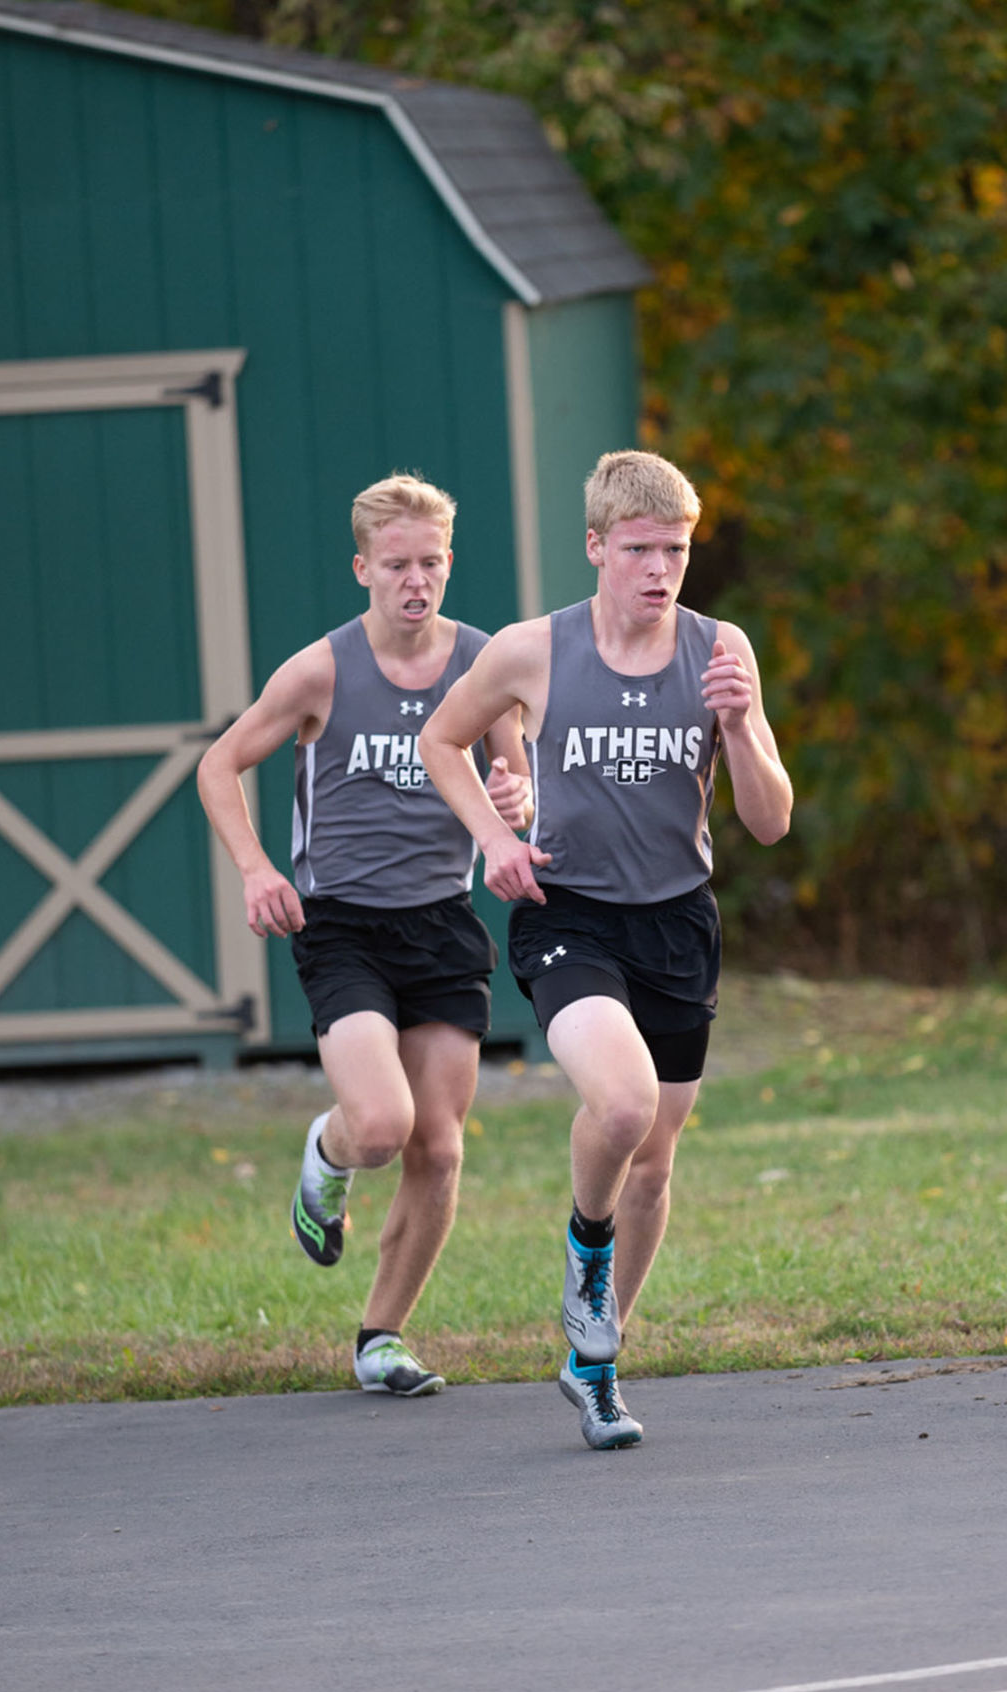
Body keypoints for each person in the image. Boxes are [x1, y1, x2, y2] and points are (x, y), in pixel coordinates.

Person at [419, 449, 792, 1447]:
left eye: (673, 548)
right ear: (595, 547)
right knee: (620, 1103)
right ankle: (586, 1258)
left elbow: (767, 821)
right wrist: (494, 840)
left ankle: (596, 1365)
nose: (657, 568)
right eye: (637, 549)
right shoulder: (532, 651)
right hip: (567, 913)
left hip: (677, 921)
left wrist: (744, 726)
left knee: (658, 1163)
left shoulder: (719, 648)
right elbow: (440, 743)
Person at [197, 474, 531, 1398]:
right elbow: (219, 764)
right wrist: (259, 870)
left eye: (430, 563)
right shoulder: (321, 671)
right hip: (342, 925)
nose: (415, 581)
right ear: (363, 570)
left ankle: (381, 1337)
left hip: (443, 923)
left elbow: (518, 778)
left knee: (441, 1148)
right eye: (396, 566)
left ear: (450, 563)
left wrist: (517, 797)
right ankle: (328, 1152)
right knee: (383, 1127)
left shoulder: (485, 666)